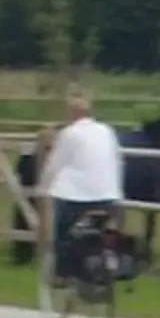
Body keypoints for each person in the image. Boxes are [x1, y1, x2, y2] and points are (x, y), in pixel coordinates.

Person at [40, 92, 125, 287]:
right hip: (108, 194)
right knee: (106, 229)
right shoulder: (107, 131)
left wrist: (43, 188)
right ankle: (108, 260)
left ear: (72, 113)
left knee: (62, 231)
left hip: (74, 195)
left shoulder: (69, 133)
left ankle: (61, 274)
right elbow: (118, 160)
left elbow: (55, 163)